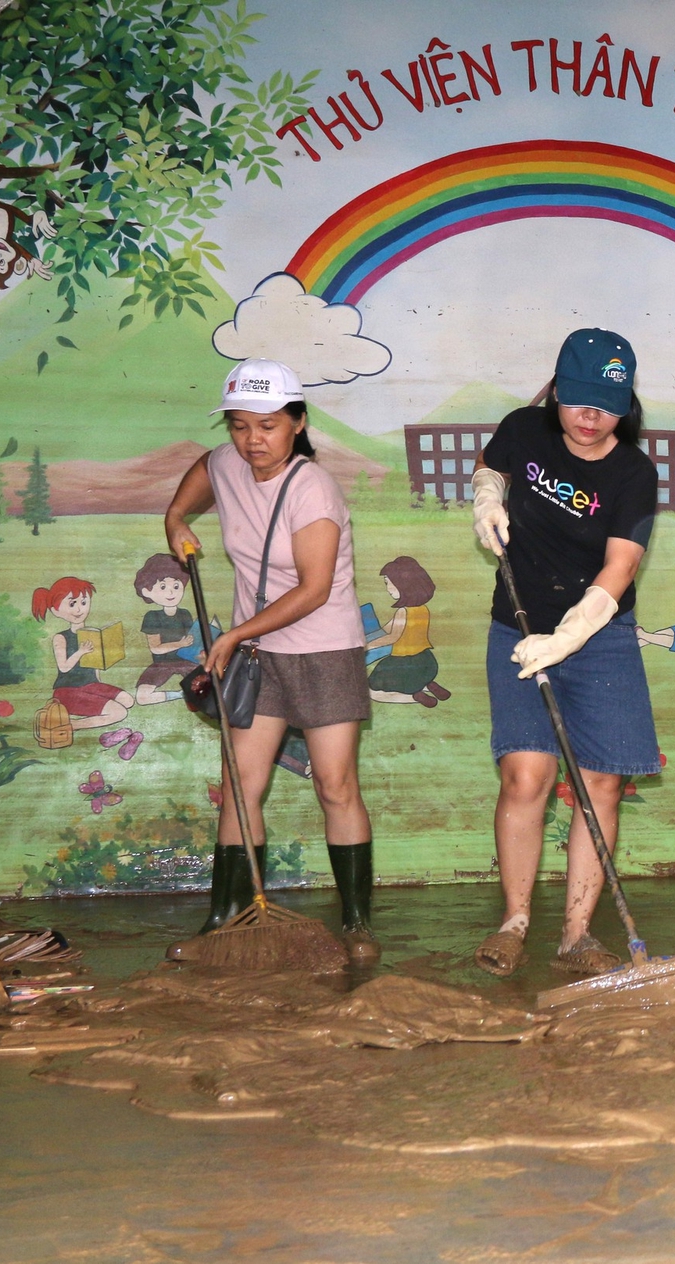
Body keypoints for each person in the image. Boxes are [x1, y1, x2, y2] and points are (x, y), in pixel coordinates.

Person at [162, 358, 380, 965]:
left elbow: (312, 589)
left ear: (297, 422)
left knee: (335, 786)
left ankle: (357, 922)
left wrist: (233, 636)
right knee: (240, 785)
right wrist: (176, 517)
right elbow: (205, 472)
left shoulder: (314, 488)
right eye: (238, 426)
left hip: (323, 649)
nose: (252, 441)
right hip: (261, 653)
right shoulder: (229, 461)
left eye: (267, 426)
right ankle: (224, 917)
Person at [468, 329, 661, 978]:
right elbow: (492, 465)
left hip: (598, 636)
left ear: (624, 403)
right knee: (528, 776)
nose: (589, 417)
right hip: (518, 624)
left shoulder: (633, 474)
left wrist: (574, 633)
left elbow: (621, 565)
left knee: (601, 780)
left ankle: (578, 933)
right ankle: (514, 921)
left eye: (605, 404)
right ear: (556, 390)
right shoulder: (526, 429)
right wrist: (487, 496)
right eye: (577, 400)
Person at [32, 577, 137, 739]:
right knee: (120, 712)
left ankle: (84, 714)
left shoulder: (92, 633)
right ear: (56, 610)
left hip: (91, 685)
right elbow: (64, 667)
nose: (79, 609)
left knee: (128, 700)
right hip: (68, 690)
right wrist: (81, 652)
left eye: (83, 602)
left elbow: (95, 666)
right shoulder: (61, 638)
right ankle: (72, 725)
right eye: (72, 604)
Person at [366, 556, 448, 707]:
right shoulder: (423, 609)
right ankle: (428, 685)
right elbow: (386, 629)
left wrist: (367, 646)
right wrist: (368, 637)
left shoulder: (403, 612)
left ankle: (415, 697)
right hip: (427, 663)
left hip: (403, 665)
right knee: (413, 680)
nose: (388, 589)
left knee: (372, 692)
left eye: (389, 584)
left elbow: (392, 637)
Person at [132, 554, 196, 705]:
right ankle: (179, 694)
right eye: (163, 587)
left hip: (185, 661)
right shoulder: (152, 616)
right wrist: (180, 644)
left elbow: (192, 642)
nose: (171, 592)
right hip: (162, 664)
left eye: (176, 586)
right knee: (142, 697)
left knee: (211, 686)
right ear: (147, 591)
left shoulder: (185, 614)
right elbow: (155, 648)